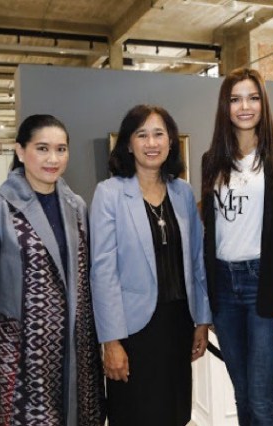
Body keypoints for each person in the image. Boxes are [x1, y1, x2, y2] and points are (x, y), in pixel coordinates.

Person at [0, 115, 105, 426]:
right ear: (20, 150)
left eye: (61, 149)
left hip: (77, 357)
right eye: (42, 148)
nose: (53, 159)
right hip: (21, 358)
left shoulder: (77, 208)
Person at [201, 68, 273, 425]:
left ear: (264, 103)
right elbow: (209, 230)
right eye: (235, 99)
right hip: (223, 285)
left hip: (265, 283)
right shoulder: (212, 160)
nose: (244, 107)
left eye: (252, 98)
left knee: (262, 400)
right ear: (225, 106)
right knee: (242, 395)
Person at [89, 104, 211, 426]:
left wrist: (202, 319)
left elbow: (197, 260)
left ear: (171, 141)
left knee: (175, 413)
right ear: (129, 144)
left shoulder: (183, 192)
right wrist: (111, 341)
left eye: (159, 134)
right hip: (133, 331)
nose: (152, 142)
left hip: (178, 323)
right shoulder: (109, 194)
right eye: (142, 135)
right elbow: (103, 273)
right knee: (134, 415)